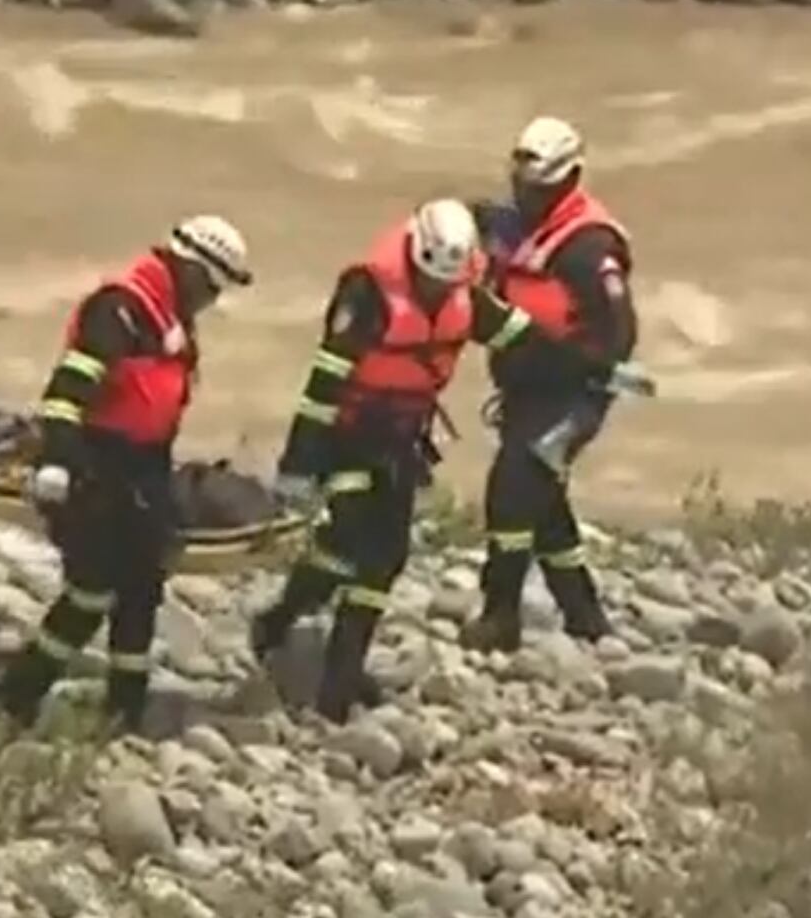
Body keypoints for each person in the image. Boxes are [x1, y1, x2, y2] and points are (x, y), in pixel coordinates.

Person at [249, 199, 642, 723]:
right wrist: (298, 464)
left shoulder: (466, 299)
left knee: (362, 554)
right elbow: (324, 385)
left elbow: (528, 339)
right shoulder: (366, 296)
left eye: (445, 286)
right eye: (429, 284)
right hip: (343, 438)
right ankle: (327, 676)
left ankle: (298, 640)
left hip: (400, 440)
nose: (437, 294)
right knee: (367, 548)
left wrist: (596, 372)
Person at [0, 215, 254, 734]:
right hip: (95, 466)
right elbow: (66, 395)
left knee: (140, 589)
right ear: (189, 269)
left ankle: (124, 710)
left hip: (144, 468)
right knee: (89, 591)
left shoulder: (169, 319)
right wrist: (60, 463)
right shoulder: (118, 312)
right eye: (210, 289)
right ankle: (14, 702)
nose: (211, 302)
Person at [460, 116, 649, 653]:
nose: (528, 197)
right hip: (525, 389)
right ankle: (585, 616)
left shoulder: (589, 247)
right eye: (522, 187)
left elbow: (618, 332)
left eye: (539, 189)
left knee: (513, 488)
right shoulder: (514, 225)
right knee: (543, 501)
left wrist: (572, 368)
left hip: (571, 392)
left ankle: (501, 615)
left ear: (569, 180)